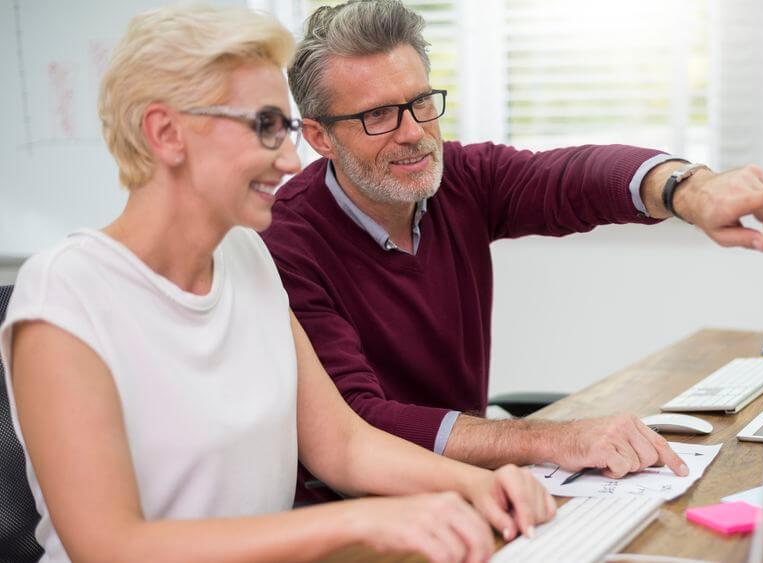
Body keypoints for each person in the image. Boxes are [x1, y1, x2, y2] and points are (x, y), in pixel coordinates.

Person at [0, 6, 553, 563]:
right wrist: (361, 518)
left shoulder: (246, 256)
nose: (291, 160)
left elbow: (343, 445)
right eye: (265, 127)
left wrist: (480, 484)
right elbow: (109, 545)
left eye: (286, 129)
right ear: (165, 133)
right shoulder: (67, 291)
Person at [263, 0, 763, 504]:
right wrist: (549, 438)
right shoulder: (286, 243)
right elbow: (357, 423)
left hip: (477, 494)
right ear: (320, 137)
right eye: (379, 115)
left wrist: (688, 190)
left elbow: (571, 179)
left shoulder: (458, 180)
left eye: (421, 101)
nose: (415, 133)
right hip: (360, 516)